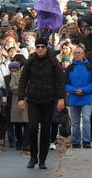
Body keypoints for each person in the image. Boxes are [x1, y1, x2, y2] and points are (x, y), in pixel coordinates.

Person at [18, 37, 65, 169]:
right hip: (33, 99)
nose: (40, 49)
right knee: (32, 127)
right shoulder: (30, 60)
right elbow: (23, 80)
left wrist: (61, 98)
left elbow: (60, 80)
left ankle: (42, 159)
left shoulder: (53, 61)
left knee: (45, 131)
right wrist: (21, 98)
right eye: (37, 46)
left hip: (49, 100)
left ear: (46, 48)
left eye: (42, 47)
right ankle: (33, 157)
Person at [65, 46, 92, 149]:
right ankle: (75, 142)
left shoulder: (90, 67)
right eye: (75, 53)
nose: (77, 55)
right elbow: (65, 84)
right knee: (75, 122)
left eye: (79, 53)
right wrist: (74, 90)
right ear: (73, 54)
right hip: (74, 98)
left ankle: (86, 141)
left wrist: (84, 90)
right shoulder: (70, 68)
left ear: (83, 53)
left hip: (87, 98)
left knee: (86, 120)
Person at [9, 62, 29, 151]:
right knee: (17, 124)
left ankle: (26, 143)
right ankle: (19, 142)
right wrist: (22, 89)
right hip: (16, 101)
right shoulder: (15, 75)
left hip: (28, 101)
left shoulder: (32, 76)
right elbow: (12, 86)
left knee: (27, 124)